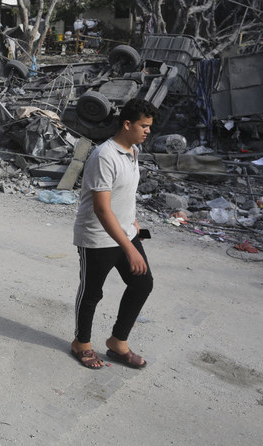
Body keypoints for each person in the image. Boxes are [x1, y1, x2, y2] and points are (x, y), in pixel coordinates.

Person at [70, 98, 156, 370]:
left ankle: (118, 342)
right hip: (97, 236)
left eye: (150, 126)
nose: (148, 131)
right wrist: (129, 248)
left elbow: (124, 194)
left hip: (125, 231)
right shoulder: (104, 155)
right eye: (144, 125)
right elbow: (102, 209)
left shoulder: (133, 151)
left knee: (142, 283)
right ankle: (81, 343)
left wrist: (135, 225)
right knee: (92, 292)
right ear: (127, 124)